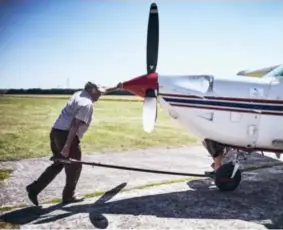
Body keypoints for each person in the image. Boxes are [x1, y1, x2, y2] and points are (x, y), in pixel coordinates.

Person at [26, 81, 121, 206]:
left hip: (55, 132)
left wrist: (118, 87)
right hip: (66, 136)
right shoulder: (86, 104)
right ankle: (68, 196)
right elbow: (75, 125)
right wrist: (66, 147)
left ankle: (34, 189)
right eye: (99, 92)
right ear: (93, 91)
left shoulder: (80, 94)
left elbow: (104, 89)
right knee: (75, 166)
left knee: (59, 163)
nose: (101, 95)